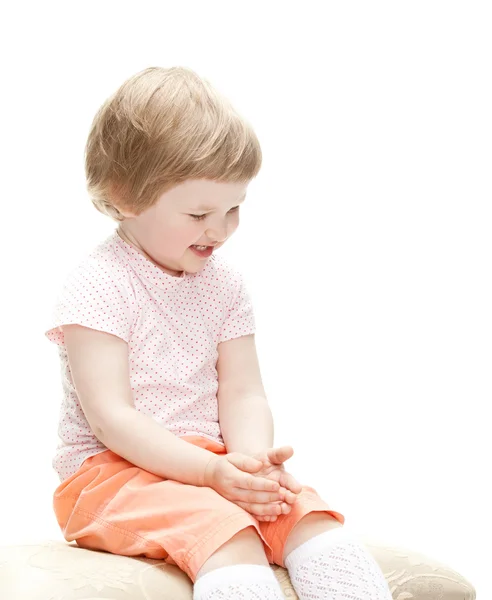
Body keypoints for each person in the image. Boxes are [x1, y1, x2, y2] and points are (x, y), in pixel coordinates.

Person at [46, 66, 392, 600]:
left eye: (234, 209)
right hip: (112, 476)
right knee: (227, 534)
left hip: (214, 460)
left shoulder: (224, 284)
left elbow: (243, 390)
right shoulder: (98, 284)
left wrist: (251, 467)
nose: (221, 229)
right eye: (200, 212)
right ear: (124, 195)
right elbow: (112, 418)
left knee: (311, 521)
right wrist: (210, 473)